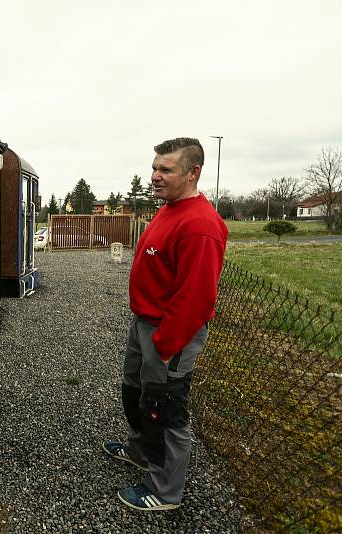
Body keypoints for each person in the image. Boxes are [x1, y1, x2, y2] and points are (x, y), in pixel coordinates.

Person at [103, 137, 228, 510]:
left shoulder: (201, 225)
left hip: (169, 333)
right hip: (145, 323)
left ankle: (165, 491)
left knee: (166, 407)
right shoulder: (169, 208)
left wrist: (165, 345)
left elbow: (195, 299)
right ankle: (140, 451)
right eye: (154, 167)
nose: (155, 176)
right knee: (135, 391)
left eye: (165, 169)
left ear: (193, 173)